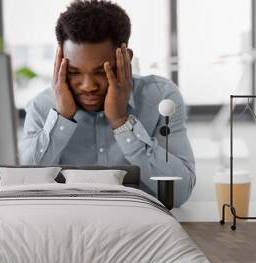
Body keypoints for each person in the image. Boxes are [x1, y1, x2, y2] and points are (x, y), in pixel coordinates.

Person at [20, 0, 195, 207]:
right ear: (60, 62)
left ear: (126, 59)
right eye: (74, 72)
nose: (88, 86)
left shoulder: (162, 99)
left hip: (139, 225)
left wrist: (122, 123)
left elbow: (178, 194)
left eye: (102, 71)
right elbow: (24, 186)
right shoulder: (41, 107)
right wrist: (61, 118)